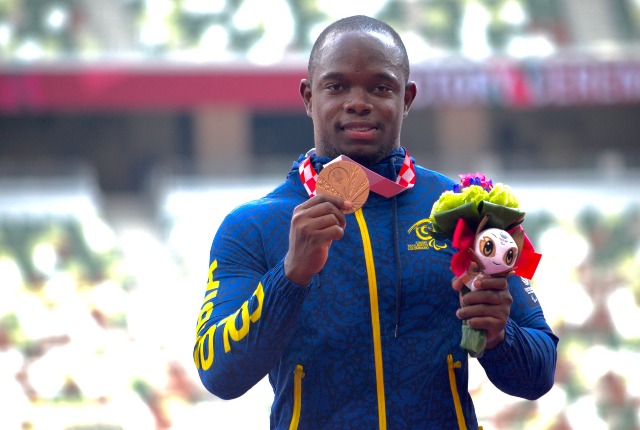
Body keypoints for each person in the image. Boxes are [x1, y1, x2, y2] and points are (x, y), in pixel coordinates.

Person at [193, 15, 558, 430]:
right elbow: (219, 375)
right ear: (308, 96)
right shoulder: (251, 226)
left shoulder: (471, 210)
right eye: (337, 86)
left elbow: (540, 373)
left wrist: (500, 338)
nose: (358, 102)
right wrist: (289, 277)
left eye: (381, 87)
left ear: (407, 98)